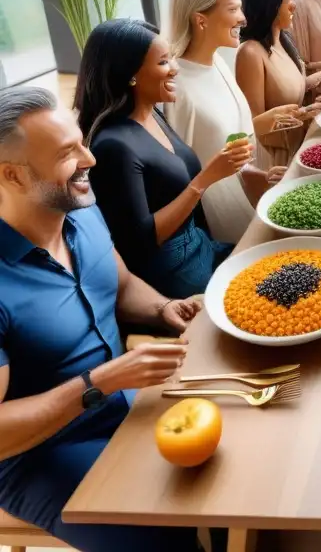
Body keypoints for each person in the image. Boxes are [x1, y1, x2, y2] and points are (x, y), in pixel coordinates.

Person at [0, 86, 206, 551]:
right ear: (12, 177)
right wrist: (97, 384)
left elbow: (121, 283)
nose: (90, 159)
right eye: (67, 153)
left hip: (124, 399)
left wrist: (162, 308)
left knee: (233, 470)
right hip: (41, 454)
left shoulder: (81, 210)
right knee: (163, 536)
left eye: (81, 142)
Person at [75, 19, 251, 299]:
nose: (175, 68)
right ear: (130, 74)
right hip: (175, 272)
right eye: (163, 62)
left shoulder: (152, 113)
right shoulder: (113, 147)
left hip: (202, 248)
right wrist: (205, 179)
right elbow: (140, 242)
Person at [162, 0, 294, 243]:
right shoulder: (176, 88)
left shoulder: (218, 63)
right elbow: (178, 178)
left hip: (248, 203)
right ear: (201, 20)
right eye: (233, 9)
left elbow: (231, 147)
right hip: (219, 227)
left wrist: (261, 176)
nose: (243, 19)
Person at [235, 0, 321, 168]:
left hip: (301, 147)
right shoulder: (250, 53)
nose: (294, 4)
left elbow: (292, 86)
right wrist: (301, 114)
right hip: (278, 162)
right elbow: (254, 127)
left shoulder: (283, 41)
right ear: (269, 4)